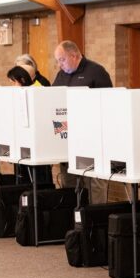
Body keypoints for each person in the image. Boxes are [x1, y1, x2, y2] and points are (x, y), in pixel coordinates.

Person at [52, 40, 113, 204]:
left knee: (94, 183)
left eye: (62, 59)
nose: (60, 64)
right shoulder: (61, 75)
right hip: (67, 138)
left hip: (92, 139)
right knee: (69, 183)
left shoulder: (96, 72)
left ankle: (96, 223)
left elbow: (109, 105)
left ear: (74, 55)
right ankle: (74, 222)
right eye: (58, 60)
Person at [6, 66, 53, 185]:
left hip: (38, 145)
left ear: (22, 79)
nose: (12, 86)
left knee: (39, 179)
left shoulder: (37, 91)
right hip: (24, 145)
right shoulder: (20, 94)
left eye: (13, 82)